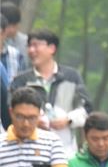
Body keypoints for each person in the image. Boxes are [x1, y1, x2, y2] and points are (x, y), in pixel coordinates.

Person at [11, 28, 90, 159]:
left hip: (66, 151)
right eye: (29, 46)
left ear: (52, 48)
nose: (31, 50)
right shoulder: (21, 80)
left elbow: (87, 108)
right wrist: (33, 120)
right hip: (30, 152)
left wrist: (68, 120)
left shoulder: (71, 77)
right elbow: (11, 110)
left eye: (36, 45)